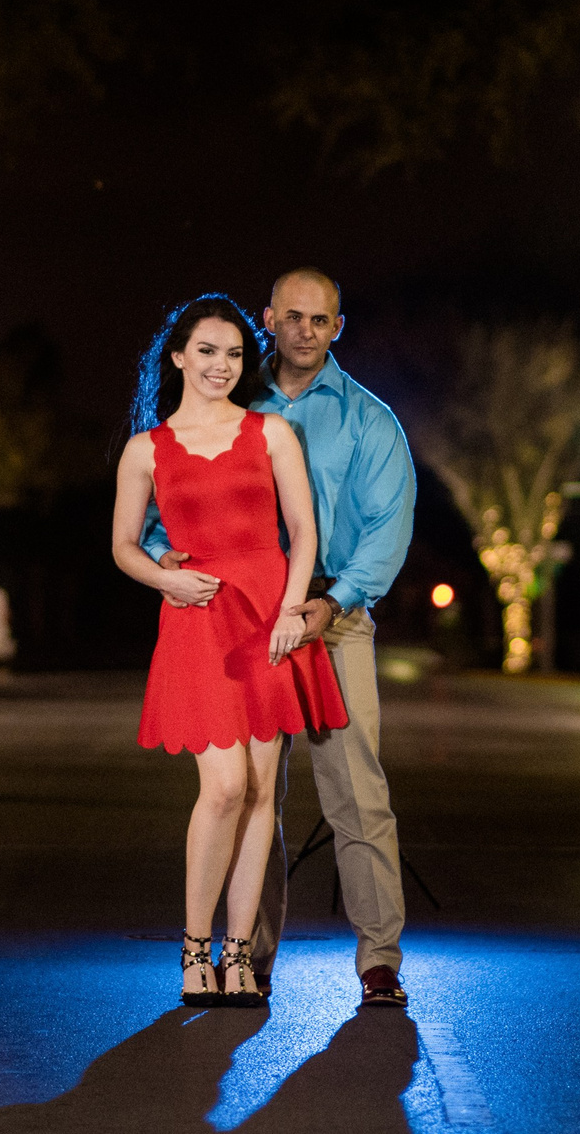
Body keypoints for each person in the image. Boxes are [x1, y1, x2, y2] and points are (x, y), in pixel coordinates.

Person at [148, 267, 416, 1010]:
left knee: (356, 792)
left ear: (338, 327)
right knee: (248, 792)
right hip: (241, 619)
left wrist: (327, 605)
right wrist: (166, 555)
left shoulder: (369, 420)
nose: (304, 329)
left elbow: (387, 533)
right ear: (268, 317)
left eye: (319, 319)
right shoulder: (232, 398)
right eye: (291, 316)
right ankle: (249, 952)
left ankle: (379, 959)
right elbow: (170, 497)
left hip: (333, 615)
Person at [111, 293, 348, 1009]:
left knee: (258, 793)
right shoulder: (145, 448)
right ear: (178, 355)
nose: (221, 365)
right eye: (207, 351)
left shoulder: (271, 432)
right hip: (197, 614)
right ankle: (193, 947)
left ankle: (238, 954)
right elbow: (123, 544)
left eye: (235, 354)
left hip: (268, 618)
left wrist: (290, 612)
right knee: (222, 785)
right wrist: (166, 576)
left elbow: (303, 532)